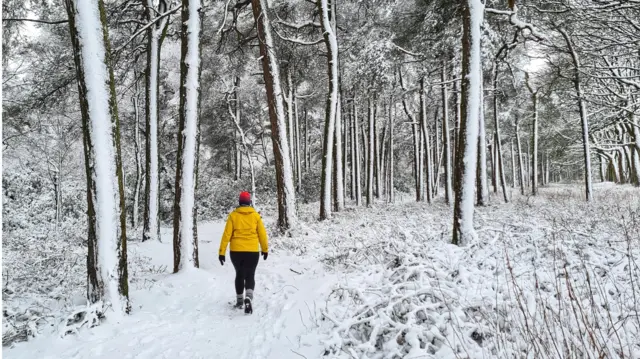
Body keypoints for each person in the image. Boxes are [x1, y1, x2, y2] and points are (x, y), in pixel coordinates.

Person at [218, 191, 268, 314]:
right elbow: (262, 234)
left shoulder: (233, 216)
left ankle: (240, 301)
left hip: (236, 251)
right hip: (252, 251)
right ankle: (248, 297)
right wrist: (265, 249)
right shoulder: (255, 216)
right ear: (249, 202)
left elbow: (226, 235)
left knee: (239, 274)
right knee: (250, 274)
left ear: (239, 202)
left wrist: (222, 252)